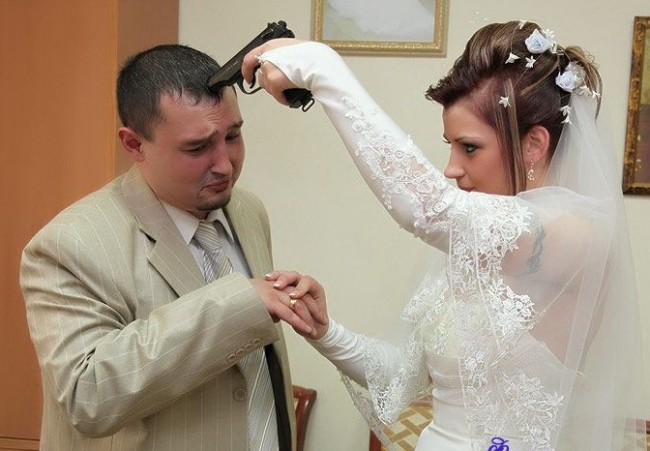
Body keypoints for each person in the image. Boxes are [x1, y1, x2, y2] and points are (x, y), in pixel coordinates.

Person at [241, 21, 647, 450]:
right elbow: (401, 375)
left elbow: (429, 209)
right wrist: (325, 332)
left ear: (533, 145)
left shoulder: (578, 235)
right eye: (450, 146)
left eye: (469, 147)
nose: (451, 168)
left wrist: (321, 67)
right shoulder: (479, 244)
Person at [19, 44, 309, 451]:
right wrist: (239, 305)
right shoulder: (68, 245)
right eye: (197, 147)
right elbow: (88, 396)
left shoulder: (247, 210)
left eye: (233, 135)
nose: (225, 164)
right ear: (134, 144)